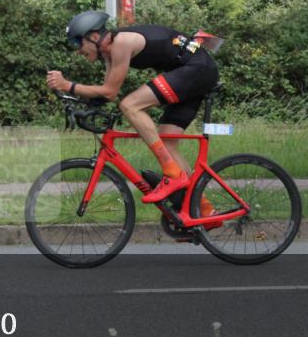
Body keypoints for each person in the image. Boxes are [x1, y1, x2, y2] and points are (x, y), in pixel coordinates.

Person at [47, 11, 220, 213]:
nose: (78, 51)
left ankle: (172, 173)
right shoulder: (109, 52)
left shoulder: (121, 43)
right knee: (167, 142)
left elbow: (110, 92)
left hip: (197, 69)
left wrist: (67, 85)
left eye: (78, 43)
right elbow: (108, 93)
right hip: (194, 71)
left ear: (93, 36)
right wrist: (79, 101)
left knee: (130, 105)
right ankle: (204, 210)